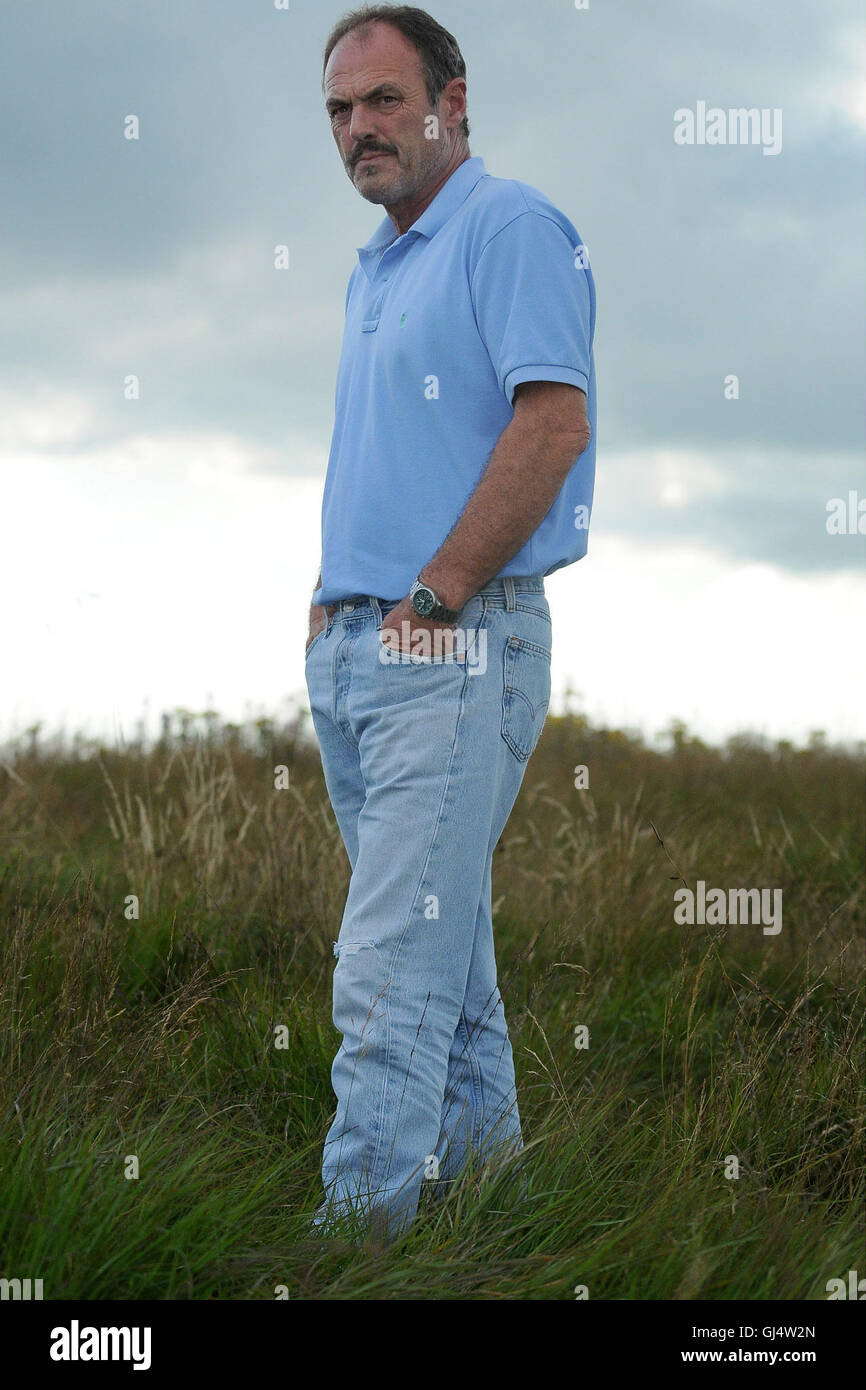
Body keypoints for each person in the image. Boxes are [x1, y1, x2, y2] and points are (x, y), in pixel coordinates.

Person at [305, 4, 596, 1237]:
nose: (358, 129)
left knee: (383, 976)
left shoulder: (509, 225)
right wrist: (335, 605)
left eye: (380, 99)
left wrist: (432, 597)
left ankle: (349, 1250)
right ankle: (493, 1218)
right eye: (337, 111)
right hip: (357, 650)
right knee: (445, 970)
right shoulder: (379, 260)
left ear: (450, 99)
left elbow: (551, 424)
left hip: (451, 645)